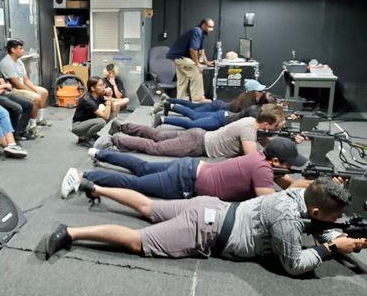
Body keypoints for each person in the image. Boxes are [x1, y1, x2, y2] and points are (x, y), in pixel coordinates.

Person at [46, 178, 367, 276]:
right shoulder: (285, 220)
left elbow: (319, 223)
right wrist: (329, 249)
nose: (332, 221)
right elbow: (295, 265)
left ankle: (95, 187)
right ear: (314, 209)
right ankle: (71, 232)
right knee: (136, 241)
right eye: (331, 215)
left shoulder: (300, 192)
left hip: (210, 206)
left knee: (147, 206)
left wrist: (337, 233)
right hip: (206, 230)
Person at [61, 137, 309, 199]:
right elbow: (270, 201)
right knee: (135, 185)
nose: (288, 169)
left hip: (190, 168)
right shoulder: (263, 171)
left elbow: (289, 182)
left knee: (144, 167)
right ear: (275, 162)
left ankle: (101, 152)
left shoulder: (259, 158)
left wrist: (314, 186)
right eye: (287, 164)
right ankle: (83, 175)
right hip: (184, 183)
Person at [95, 103, 288, 158]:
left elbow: (264, 143)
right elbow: (251, 158)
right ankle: (115, 140)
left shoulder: (250, 121)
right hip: (197, 143)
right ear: (267, 124)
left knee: (158, 136)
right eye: (276, 126)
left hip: (199, 136)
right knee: (156, 147)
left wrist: (284, 143)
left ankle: (122, 126)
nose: (276, 130)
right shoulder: (248, 130)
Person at [0, 42, 36, 140]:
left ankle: (20, 131)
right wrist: (2, 87)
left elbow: (4, 84)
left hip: (2, 94)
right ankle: (13, 135)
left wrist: (2, 88)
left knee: (29, 104)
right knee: (16, 108)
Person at [0, 38, 51, 129]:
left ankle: (39, 120)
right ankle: (32, 126)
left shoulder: (18, 61)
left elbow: (26, 80)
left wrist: (34, 90)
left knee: (44, 92)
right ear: (13, 50)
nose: (23, 50)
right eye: (20, 48)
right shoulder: (6, 63)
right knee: (36, 98)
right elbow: (17, 85)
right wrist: (33, 93)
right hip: (13, 90)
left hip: (22, 86)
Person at [166, 18, 215, 101]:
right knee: (196, 70)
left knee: (182, 78)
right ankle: (198, 98)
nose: (211, 29)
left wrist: (207, 62)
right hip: (180, 57)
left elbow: (201, 50)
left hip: (177, 57)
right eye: (209, 27)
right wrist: (197, 64)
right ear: (203, 25)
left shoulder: (201, 33)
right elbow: (192, 50)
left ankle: (181, 100)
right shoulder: (197, 31)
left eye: (212, 27)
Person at [71, 76, 112, 147]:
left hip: (87, 122)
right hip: (78, 125)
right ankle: (83, 139)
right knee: (102, 121)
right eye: (100, 85)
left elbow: (113, 109)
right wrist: (109, 100)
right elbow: (106, 116)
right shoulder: (88, 100)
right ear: (93, 88)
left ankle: (92, 134)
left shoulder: (98, 95)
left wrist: (109, 96)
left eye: (103, 85)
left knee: (110, 113)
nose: (103, 87)